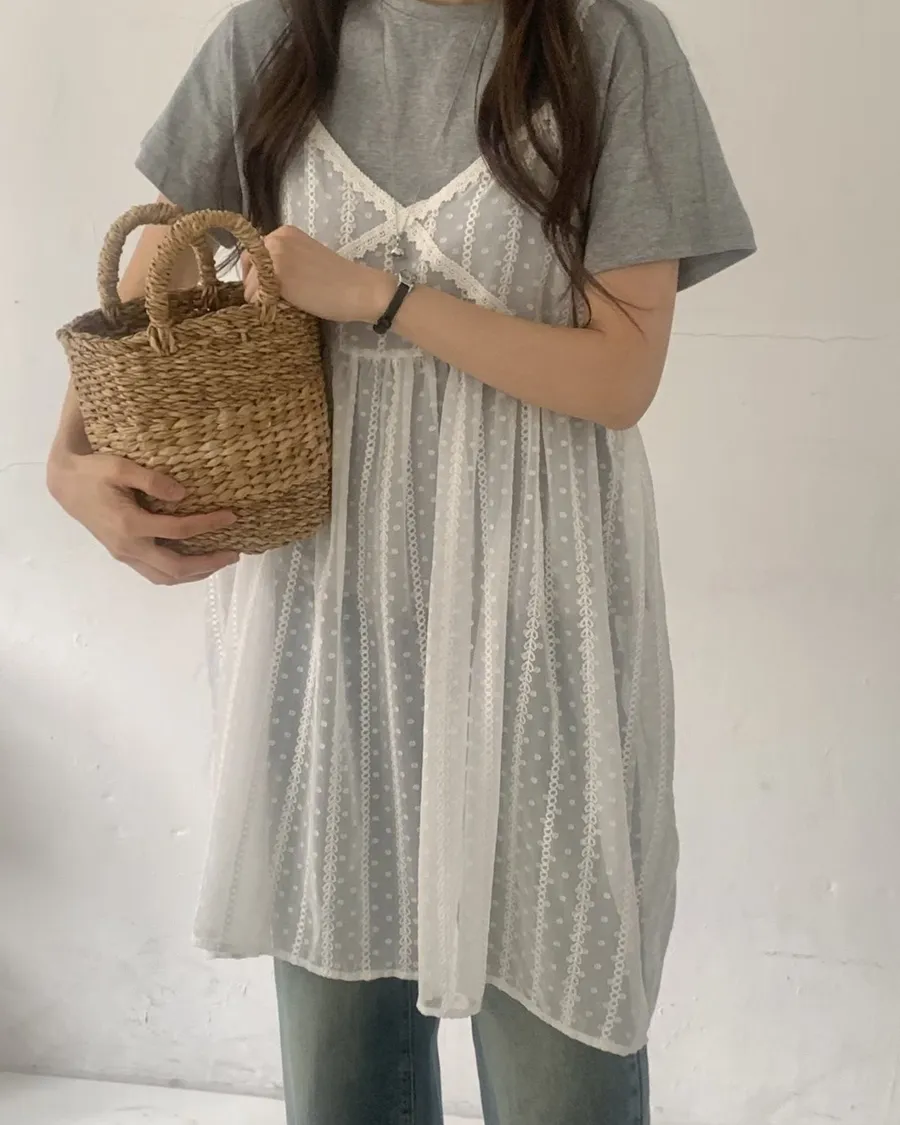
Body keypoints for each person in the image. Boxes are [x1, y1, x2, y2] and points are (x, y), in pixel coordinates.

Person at [48, 0, 755, 1121]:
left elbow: (619, 376)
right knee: (344, 1082)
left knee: (564, 1073)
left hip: (541, 632)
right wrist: (69, 462)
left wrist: (378, 299)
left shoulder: (604, 42)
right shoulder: (276, 35)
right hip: (325, 629)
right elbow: (154, 290)